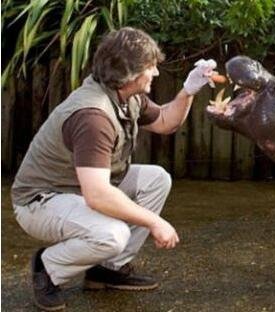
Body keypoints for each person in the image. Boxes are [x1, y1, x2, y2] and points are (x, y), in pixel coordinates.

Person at [11, 27, 217, 311]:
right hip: (42, 200)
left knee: (156, 179)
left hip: (78, 189)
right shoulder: (93, 116)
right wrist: (154, 222)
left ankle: (106, 269)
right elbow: (98, 196)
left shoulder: (126, 95)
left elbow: (167, 121)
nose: (155, 73)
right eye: (151, 67)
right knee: (112, 234)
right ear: (130, 73)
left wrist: (189, 90)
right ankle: (48, 267)